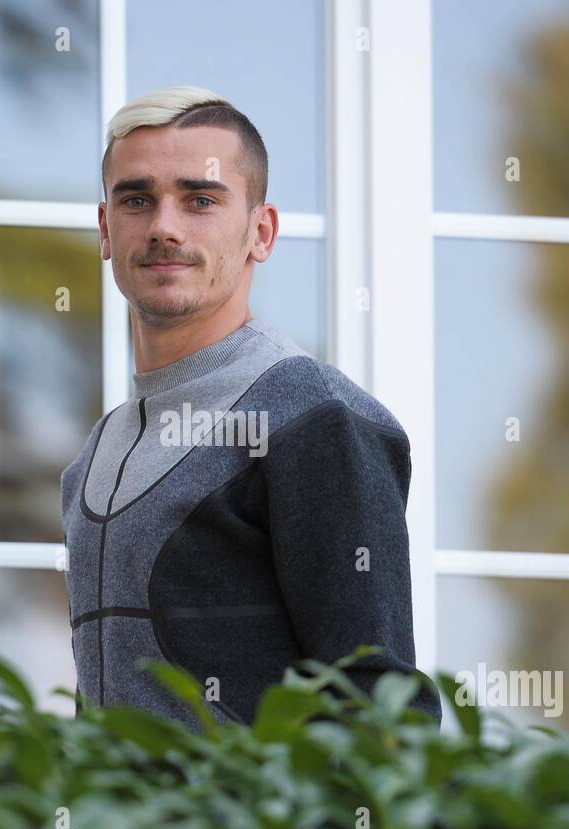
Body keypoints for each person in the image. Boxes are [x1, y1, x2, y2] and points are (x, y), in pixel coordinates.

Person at [59, 85, 441, 730]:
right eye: (136, 199)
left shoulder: (316, 418)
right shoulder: (94, 455)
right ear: (105, 228)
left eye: (200, 199)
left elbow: (380, 710)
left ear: (260, 232)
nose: (164, 227)